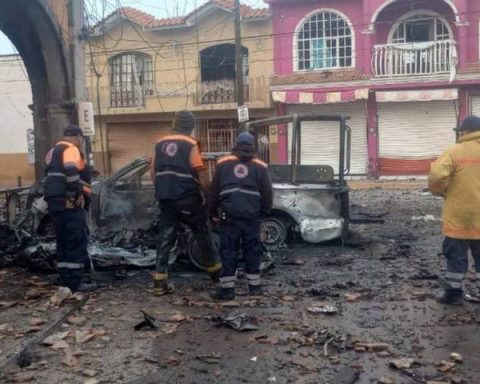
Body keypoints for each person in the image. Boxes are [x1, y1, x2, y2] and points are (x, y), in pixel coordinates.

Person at [152, 110, 222, 295]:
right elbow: (200, 172)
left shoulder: (159, 144)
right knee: (203, 235)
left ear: (174, 125)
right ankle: (217, 278)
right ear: (191, 127)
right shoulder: (191, 144)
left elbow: (153, 172)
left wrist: (163, 189)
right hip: (187, 198)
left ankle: (159, 283)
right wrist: (208, 194)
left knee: (165, 239)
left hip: (165, 198)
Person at [209, 132, 273, 301]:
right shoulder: (260, 166)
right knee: (253, 250)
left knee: (228, 251)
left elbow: (214, 191)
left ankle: (228, 291)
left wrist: (211, 211)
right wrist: (264, 212)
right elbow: (267, 192)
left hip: (229, 216)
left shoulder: (223, 163)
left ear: (236, 144)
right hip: (252, 216)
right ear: (253, 146)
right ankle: (255, 288)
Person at [429, 115, 480, 305]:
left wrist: (440, 191)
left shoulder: (454, 151)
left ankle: (454, 294)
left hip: (459, 215)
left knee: (456, 255)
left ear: (465, 132)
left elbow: (436, 175)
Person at [44, 125, 95, 292]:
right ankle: (75, 282)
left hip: (55, 202)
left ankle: (65, 279)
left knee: (63, 241)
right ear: (77, 137)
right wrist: (77, 192)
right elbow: (71, 169)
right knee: (75, 239)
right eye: (80, 139)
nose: (80, 142)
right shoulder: (70, 148)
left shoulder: (53, 151)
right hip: (69, 202)